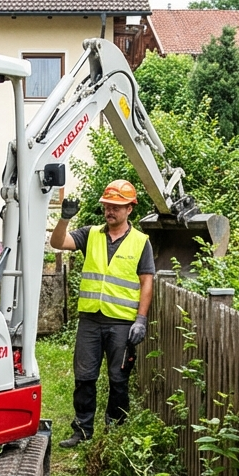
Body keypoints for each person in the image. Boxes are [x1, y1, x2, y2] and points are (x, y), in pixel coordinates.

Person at [49, 179, 154, 447]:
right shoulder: (91, 234)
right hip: (90, 321)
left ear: (130, 209)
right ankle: (82, 431)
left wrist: (141, 320)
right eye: (107, 205)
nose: (110, 210)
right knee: (84, 377)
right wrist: (64, 219)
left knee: (119, 379)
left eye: (116, 206)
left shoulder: (141, 242)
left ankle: (115, 432)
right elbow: (58, 243)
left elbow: (146, 282)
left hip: (121, 323)